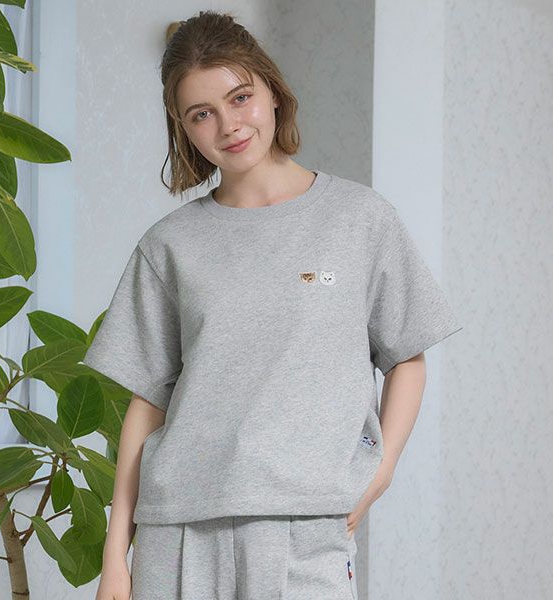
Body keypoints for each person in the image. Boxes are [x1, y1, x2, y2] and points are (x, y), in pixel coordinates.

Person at [85, 10, 463, 600]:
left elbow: (407, 357)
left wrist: (380, 471)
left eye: (240, 98)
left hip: (307, 523)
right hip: (177, 528)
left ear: (273, 91)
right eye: (201, 114)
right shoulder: (169, 245)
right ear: (183, 129)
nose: (228, 126)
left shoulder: (360, 220)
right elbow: (147, 404)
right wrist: (116, 557)